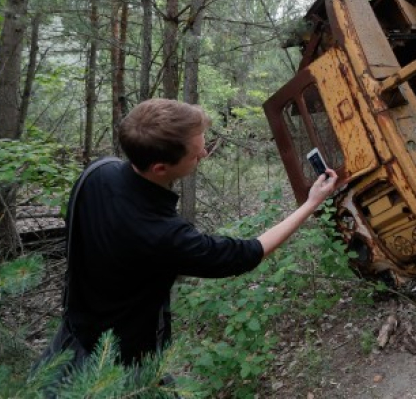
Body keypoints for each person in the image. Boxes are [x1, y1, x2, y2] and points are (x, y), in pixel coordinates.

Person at [39, 98, 338, 370]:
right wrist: (311, 203)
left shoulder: (96, 172)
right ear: (159, 167)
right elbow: (246, 253)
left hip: (67, 341)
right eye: (197, 155)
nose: (205, 153)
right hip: (120, 365)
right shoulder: (163, 235)